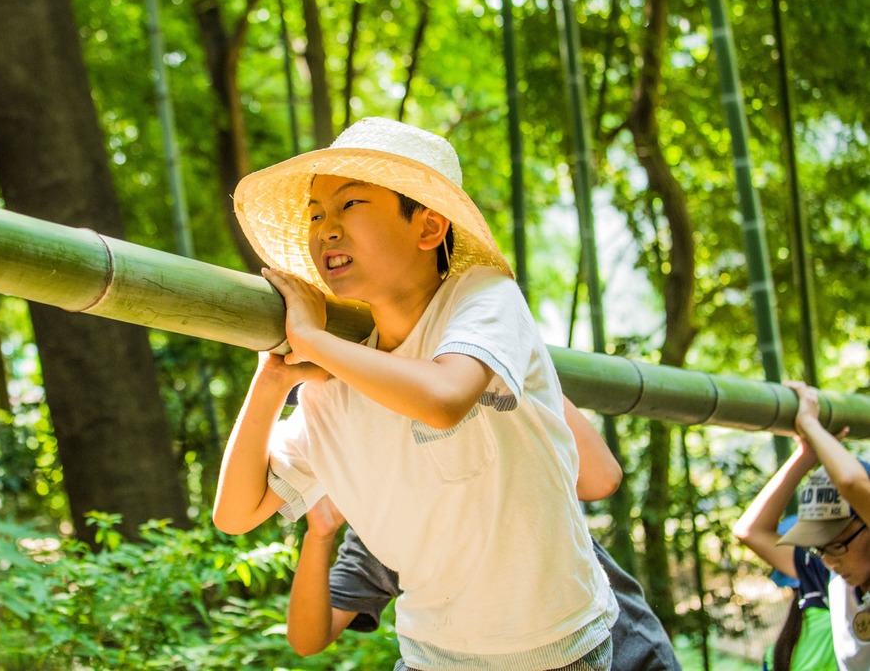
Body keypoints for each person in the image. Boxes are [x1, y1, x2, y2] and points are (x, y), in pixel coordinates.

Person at [213, 117, 618, 669]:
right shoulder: (332, 390)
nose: (326, 229)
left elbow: (445, 398)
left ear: (428, 227)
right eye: (315, 214)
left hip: (555, 648)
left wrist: (310, 338)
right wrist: (272, 380)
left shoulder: (484, 297)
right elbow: (236, 514)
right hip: (432, 654)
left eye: (350, 204)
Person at [287, 397, 681, 671]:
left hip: (624, 652)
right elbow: (308, 638)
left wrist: (509, 349)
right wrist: (319, 534)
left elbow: (602, 477)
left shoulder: (496, 433)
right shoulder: (383, 520)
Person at [732, 380, 868, 670]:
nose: (829, 560)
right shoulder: (831, 575)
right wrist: (806, 454)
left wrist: (810, 423)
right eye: (820, 548)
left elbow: (850, 483)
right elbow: (750, 531)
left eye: (836, 544)